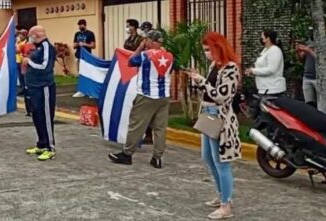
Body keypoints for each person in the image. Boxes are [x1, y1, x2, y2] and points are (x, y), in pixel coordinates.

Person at [186, 32, 242, 220]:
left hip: (220, 118)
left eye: (209, 50)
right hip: (208, 115)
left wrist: (201, 81)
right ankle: (221, 195)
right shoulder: (214, 65)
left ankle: (226, 204)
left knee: (221, 162)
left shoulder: (231, 69)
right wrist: (198, 80)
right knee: (207, 157)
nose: (207, 54)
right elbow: (208, 92)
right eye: (205, 51)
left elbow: (221, 96)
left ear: (218, 48)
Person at [109, 30, 175, 168]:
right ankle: (157, 158)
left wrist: (139, 48)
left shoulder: (146, 55)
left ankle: (127, 154)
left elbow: (131, 61)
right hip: (163, 97)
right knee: (160, 128)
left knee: (136, 125)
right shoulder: (169, 56)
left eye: (146, 40)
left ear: (150, 41)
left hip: (146, 95)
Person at [24, 25, 58, 161]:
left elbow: (45, 66)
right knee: (37, 115)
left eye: (31, 35)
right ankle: (41, 143)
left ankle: (50, 147)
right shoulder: (38, 48)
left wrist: (29, 62)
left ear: (36, 35)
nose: (29, 38)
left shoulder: (47, 47)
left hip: (44, 87)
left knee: (46, 117)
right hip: (34, 87)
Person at [295, 29, 326, 106]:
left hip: (320, 78)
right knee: (309, 104)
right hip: (307, 77)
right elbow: (301, 60)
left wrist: (310, 51)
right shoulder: (308, 43)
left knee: (322, 104)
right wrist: (298, 52)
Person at [245, 30, 286, 96]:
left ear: (268, 39)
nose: (261, 39)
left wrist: (253, 71)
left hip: (272, 89)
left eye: (262, 37)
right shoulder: (265, 50)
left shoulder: (274, 50)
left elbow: (271, 69)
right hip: (264, 88)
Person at [72, 19, 96, 97]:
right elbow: (74, 45)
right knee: (80, 74)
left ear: (84, 25)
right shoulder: (77, 34)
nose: (80, 26)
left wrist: (84, 44)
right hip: (79, 56)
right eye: (79, 25)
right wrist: (78, 44)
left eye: (81, 25)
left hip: (87, 57)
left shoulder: (90, 34)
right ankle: (81, 90)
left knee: (88, 74)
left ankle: (90, 91)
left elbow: (93, 45)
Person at [16, 30, 33, 116]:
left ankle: (33, 108)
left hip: (34, 70)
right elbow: (17, 51)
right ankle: (29, 110)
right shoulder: (24, 45)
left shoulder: (38, 46)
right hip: (26, 69)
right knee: (27, 89)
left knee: (33, 90)